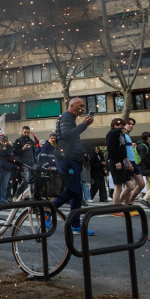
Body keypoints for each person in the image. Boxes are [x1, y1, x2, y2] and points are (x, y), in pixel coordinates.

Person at [51, 97, 94, 235]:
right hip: (66, 159)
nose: (83, 108)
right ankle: (47, 211)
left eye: (83, 106)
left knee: (77, 194)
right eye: (80, 106)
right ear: (71, 106)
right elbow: (67, 134)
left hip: (71, 159)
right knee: (72, 191)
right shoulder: (66, 117)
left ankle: (75, 225)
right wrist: (84, 125)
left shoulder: (70, 118)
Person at [106, 118, 135, 215]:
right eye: (117, 125)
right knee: (118, 186)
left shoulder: (121, 134)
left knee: (130, 186)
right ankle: (115, 209)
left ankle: (117, 205)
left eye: (121, 125)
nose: (120, 127)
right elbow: (111, 149)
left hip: (121, 161)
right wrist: (117, 161)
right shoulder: (112, 133)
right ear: (114, 125)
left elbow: (122, 150)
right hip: (115, 161)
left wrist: (127, 161)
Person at [124, 118, 146, 204]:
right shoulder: (122, 135)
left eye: (132, 124)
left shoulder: (127, 135)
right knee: (129, 186)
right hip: (128, 162)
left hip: (133, 162)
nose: (131, 126)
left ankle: (130, 202)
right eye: (129, 124)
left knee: (141, 184)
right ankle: (127, 206)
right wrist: (127, 161)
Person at [13, 126, 37, 197]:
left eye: (28, 132)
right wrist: (23, 148)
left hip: (32, 162)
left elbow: (33, 152)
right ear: (22, 132)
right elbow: (16, 153)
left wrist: (35, 161)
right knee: (25, 180)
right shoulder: (18, 141)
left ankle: (31, 195)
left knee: (34, 180)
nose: (26, 134)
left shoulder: (31, 141)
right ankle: (18, 194)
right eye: (25, 132)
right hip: (24, 163)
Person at [0, 137, 15, 202]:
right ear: (0, 142)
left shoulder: (9, 148)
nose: (4, 143)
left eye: (5, 142)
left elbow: (12, 157)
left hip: (6, 169)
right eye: (3, 142)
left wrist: (5, 150)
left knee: (4, 186)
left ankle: (2, 200)